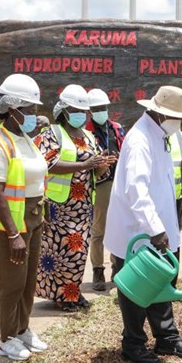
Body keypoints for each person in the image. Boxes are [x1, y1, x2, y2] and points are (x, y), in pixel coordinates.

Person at [105, 85, 182, 363]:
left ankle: (167, 338)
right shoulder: (139, 140)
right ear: (161, 114)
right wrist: (155, 228)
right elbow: (136, 189)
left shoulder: (160, 134)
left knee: (162, 282)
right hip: (140, 231)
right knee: (137, 289)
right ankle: (133, 344)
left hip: (159, 224)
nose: (180, 123)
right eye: (178, 118)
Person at [0, 74, 49, 361]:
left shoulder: (24, 139)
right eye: (28, 109)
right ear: (11, 108)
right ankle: (6, 338)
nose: (33, 115)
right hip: (7, 225)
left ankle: (22, 330)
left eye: (34, 109)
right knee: (11, 283)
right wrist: (12, 234)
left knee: (29, 280)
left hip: (32, 217)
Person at [35, 85, 112, 311]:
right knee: (59, 251)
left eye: (83, 110)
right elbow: (47, 163)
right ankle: (63, 296)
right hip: (60, 206)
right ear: (64, 110)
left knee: (78, 253)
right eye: (76, 109)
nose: (81, 114)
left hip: (83, 205)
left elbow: (95, 171)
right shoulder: (52, 133)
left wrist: (101, 165)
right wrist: (84, 164)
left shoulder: (88, 136)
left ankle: (72, 292)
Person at [86, 89, 124, 291]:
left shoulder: (116, 128)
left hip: (118, 182)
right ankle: (98, 270)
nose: (101, 111)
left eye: (104, 108)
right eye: (97, 109)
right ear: (90, 111)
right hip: (100, 183)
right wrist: (101, 160)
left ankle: (117, 267)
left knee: (118, 227)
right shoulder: (87, 131)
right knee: (99, 230)